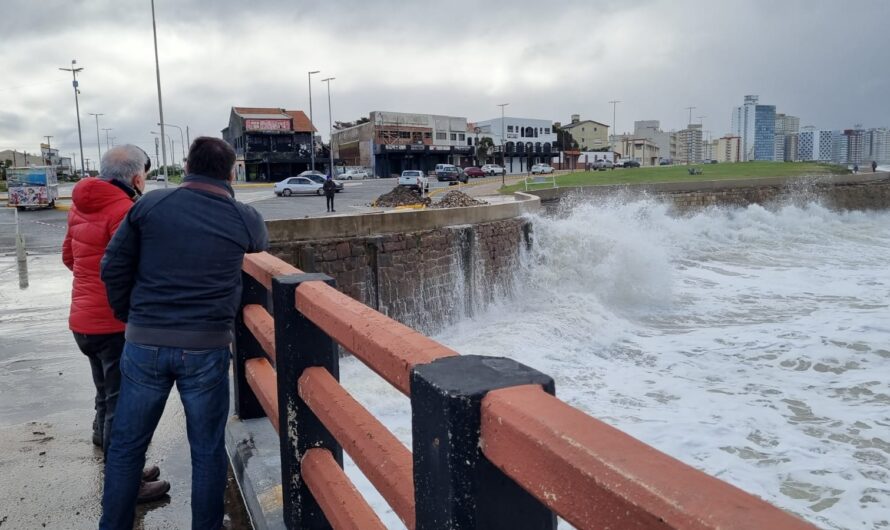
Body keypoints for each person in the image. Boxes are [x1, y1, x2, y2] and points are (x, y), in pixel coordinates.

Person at [99, 137, 269, 529]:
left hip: (145, 344)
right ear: (231, 173)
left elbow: (113, 267)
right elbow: (259, 243)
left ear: (187, 166)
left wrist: (134, 318)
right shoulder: (243, 216)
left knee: (127, 447)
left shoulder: (150, 205)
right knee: (206, 450)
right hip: (206, 347)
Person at [61, 145, 167, 503]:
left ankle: (106, 446)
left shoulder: (78, 205)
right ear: (137, 178)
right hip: (113, 324)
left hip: (82, 321)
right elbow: (140, 268)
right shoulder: (127, 211)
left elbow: (69, 257)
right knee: (121, 406)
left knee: (105, 395)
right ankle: (124, 482)